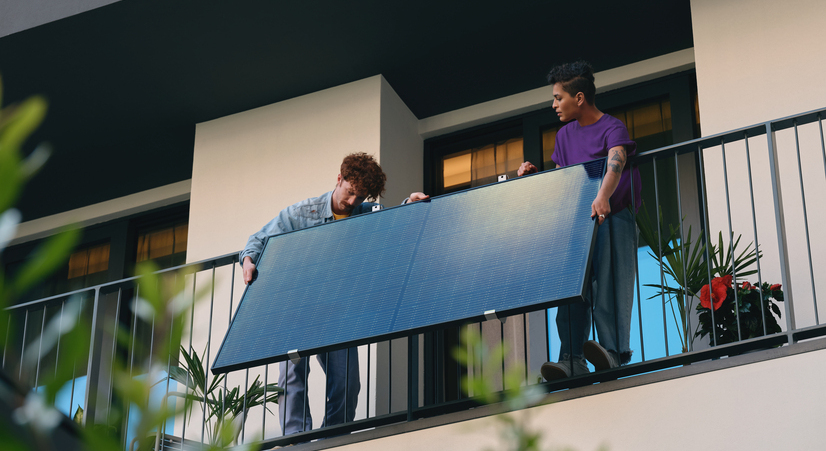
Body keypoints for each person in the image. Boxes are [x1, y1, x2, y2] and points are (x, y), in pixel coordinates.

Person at [239, 152, 429, 435]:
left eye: (361, 196)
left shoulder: (365, 215)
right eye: (350, 192)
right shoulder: (302, 213)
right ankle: (297, 440)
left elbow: (391, 223)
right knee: (293, 376)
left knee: (347, 382)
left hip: (338, 311)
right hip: (298, 306)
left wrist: (408, 205)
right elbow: (257, 240)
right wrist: (248, 260)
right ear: (339, 179)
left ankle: (332, 437)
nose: (353, 201)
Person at [517, 61, 640, 380]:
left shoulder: (613, 127)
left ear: (580, 98)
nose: (554, 104)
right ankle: (571, 358)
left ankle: (613, 352)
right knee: (572, 287)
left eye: (558, 98)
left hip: (612, 216)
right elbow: (564, 180)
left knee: (611, 283)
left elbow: (617, 162)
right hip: (578, 222)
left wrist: (602, 197)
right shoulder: (563, 136)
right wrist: (536, 178)